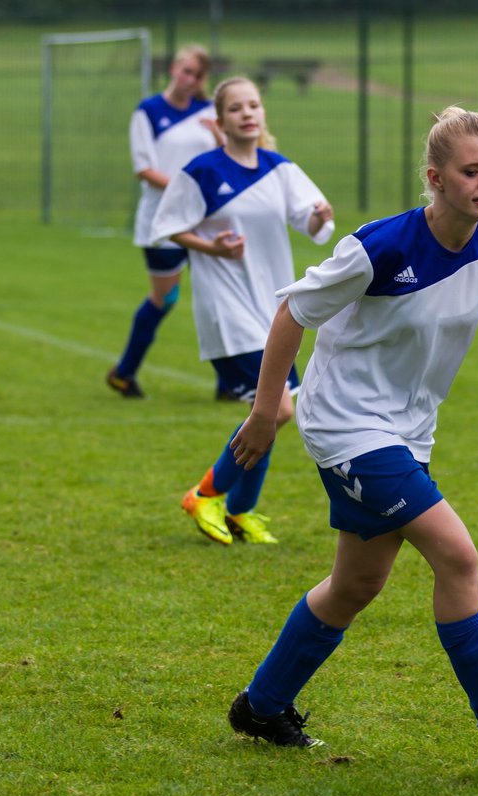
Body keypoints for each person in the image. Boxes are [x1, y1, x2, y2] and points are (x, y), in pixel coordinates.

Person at [225, 106, 478, 768]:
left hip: (408, 431)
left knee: (354, 585)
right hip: (347, 424)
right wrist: (267, 411)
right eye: (471, 171)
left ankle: (262, 705)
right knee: (458, 556)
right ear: (435, 178)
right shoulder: (380, 247)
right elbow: (292, 312)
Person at [153, 76, 334, 545]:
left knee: (266, 411)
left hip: (273, 308)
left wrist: (319, 215)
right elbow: (168, 226)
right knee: (276, 410)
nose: (248, 114)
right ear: (220, 121)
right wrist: (211, 247)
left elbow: (312, 222)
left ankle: (238, 512)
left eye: (254, 105)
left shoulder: (280, 168)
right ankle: (205, 494)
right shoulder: (203, 171)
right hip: (228, 306)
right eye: (236, 108)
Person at [107, 44, 220, 400]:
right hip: (164, 221)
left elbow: (229, 152)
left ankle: (233, 382)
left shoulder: (209, 111)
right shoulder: (149, 111)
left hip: (207, 219)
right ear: (173, 69)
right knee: (166, 297)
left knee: (218, 299)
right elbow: (145, 169)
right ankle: (124, 372)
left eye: (197, 75)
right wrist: (185, 190)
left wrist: (218, 134)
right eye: (186, 71)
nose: (190, 79)